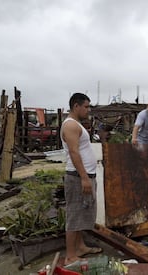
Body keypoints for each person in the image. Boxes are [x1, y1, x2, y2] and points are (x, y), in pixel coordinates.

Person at [61, 93, 102, 266]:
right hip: (77, 177)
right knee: (74, 215)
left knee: (81, 215)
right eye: (86, 106)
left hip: (84, 176)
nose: (88, 110)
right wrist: (84, 178)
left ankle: (80, 247)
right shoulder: (70, 125)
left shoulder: (77, 125)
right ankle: (70, 256)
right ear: (76, 106)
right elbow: (74, 152)